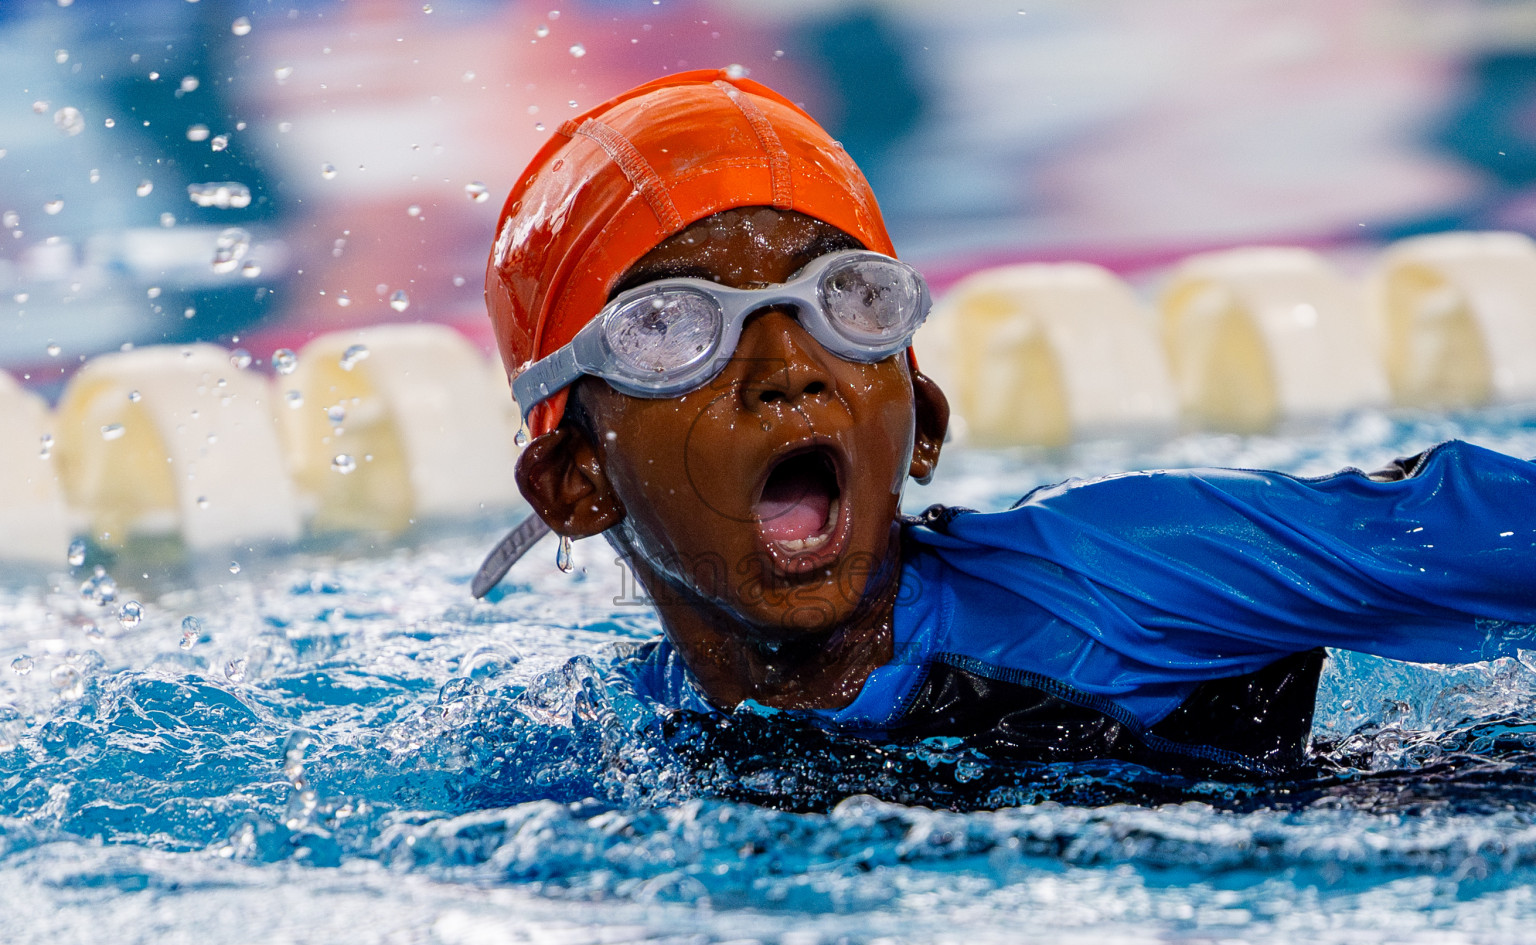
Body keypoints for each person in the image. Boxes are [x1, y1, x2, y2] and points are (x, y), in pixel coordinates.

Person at [479, 69, 1536, 778]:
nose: (788, 370)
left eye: (845, 304)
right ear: (575, 482)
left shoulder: (1118, 570)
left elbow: (1472, 522)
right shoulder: (603, 747)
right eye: (675, 331)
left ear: (922, 423)